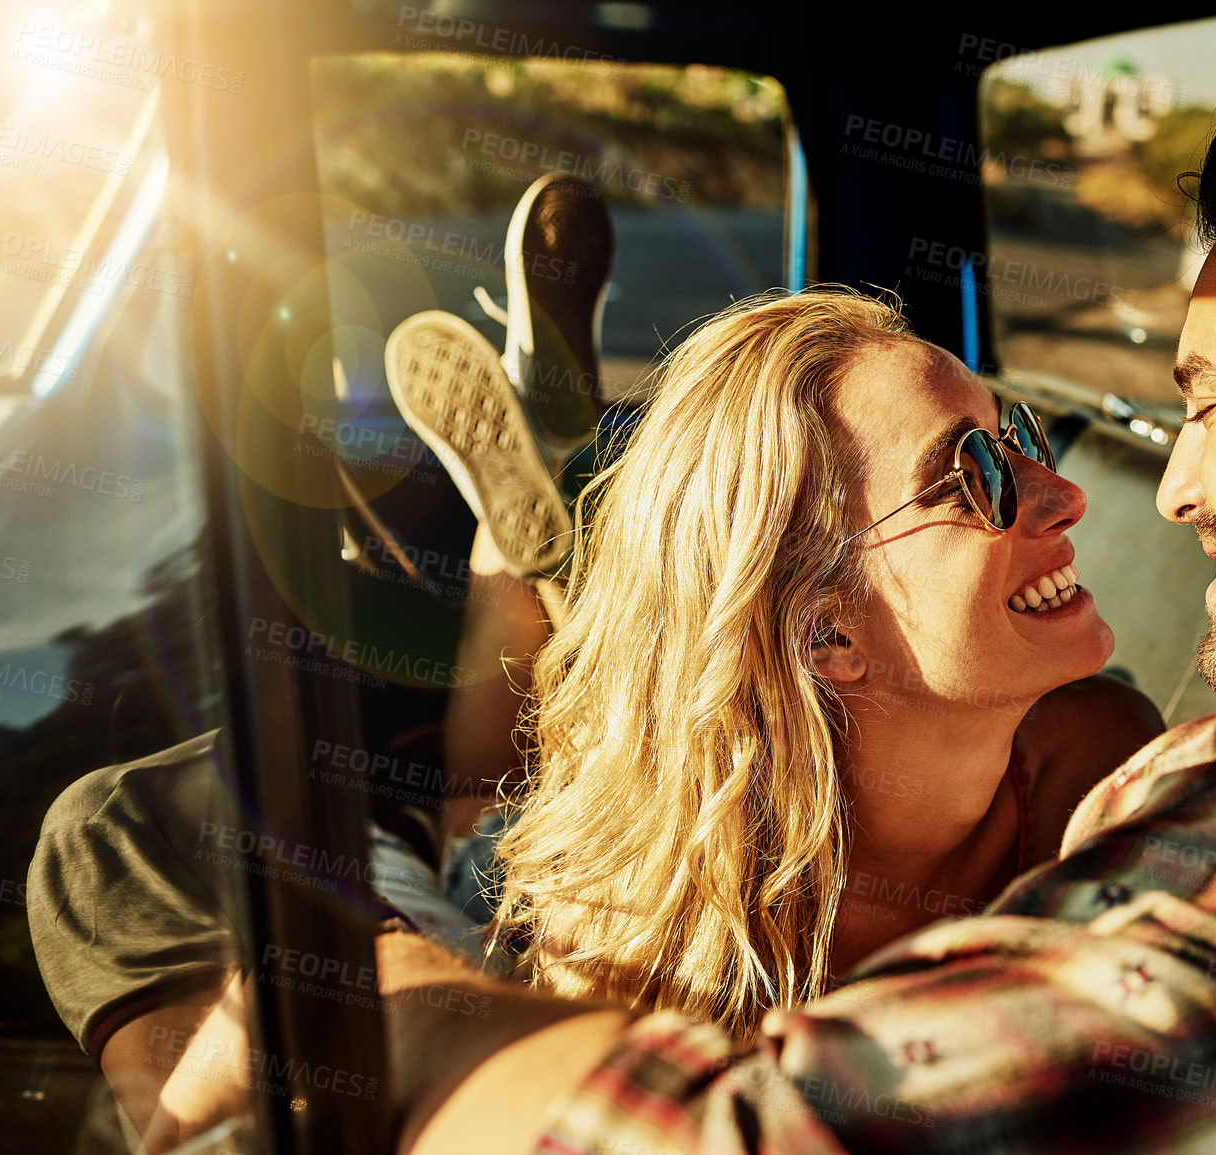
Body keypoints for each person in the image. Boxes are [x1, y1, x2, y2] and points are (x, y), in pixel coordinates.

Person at [376, 52, 1216, 1155]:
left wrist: (323, 993)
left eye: (1202, 400)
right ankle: (536, 553)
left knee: (460, 853)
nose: (1164, 485)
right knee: (519, 812)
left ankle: (529, 561)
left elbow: (718, 1136)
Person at [487, 286, 1163, 1035]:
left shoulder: (1114, 761)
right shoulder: (634, 930)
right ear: (826, 634)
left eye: (1014, 441)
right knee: (469, 825)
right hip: (541, 850)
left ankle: (548, 494)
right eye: (970, 474)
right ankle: (508, 545)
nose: (1064, 494)